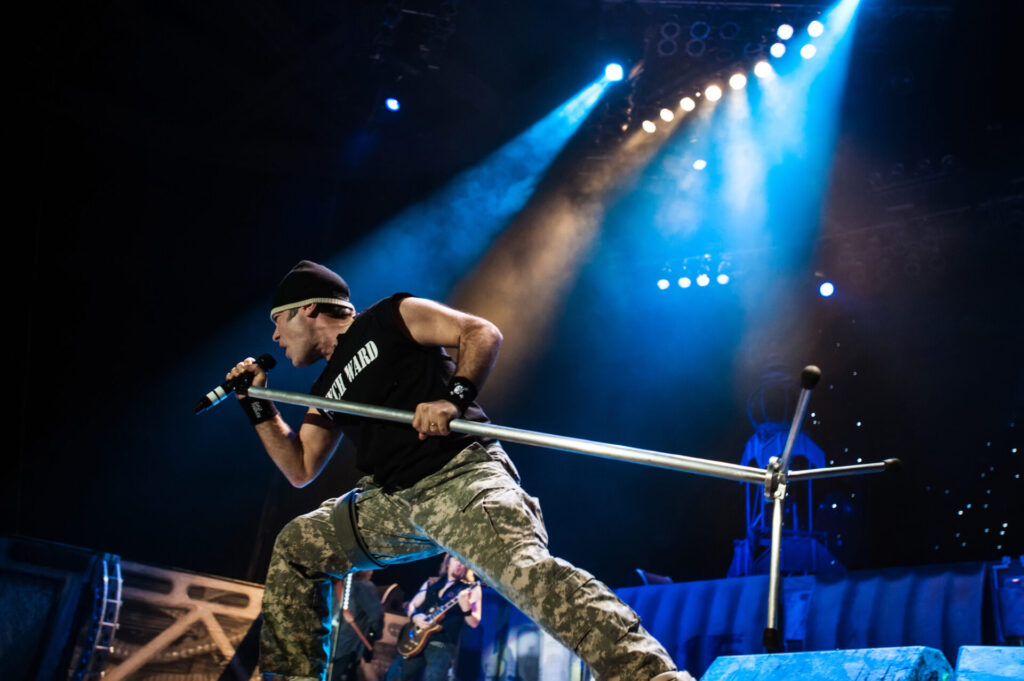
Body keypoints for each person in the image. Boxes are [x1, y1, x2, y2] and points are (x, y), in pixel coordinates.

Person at [227, 260, 693, 681]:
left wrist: (454, 398)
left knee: (526, 574)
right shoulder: (325, 386)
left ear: (308, 308)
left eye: (278, 321)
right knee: (298, 546)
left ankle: (650, 675)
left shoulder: (391, 316)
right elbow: (300, 466)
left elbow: (480, 332)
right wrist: (256, 405)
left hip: (458, 478)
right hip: (391, 503)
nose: (275, 337)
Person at [383, 554, 481, 681]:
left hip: (442, 643)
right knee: (394, 675)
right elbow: (412, 605)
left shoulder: (471, 589)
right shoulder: (432, 582)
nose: (459, 564)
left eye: (463, 562)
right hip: (416, 638)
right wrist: (415, 617)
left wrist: (466, 609)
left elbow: (474, 623)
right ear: (448, 562)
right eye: (456, 559)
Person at [329, 571, 383, 681]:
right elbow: (376, 616)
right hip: (349, 644)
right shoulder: (365, 587)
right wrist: (375, 635)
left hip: (331, 638)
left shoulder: (336, 583)